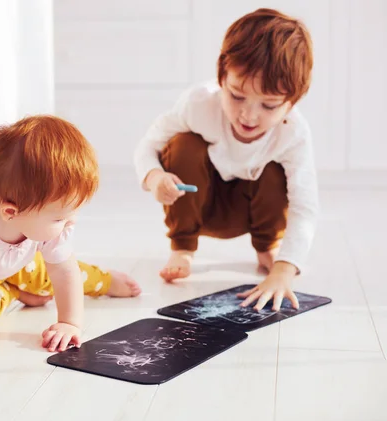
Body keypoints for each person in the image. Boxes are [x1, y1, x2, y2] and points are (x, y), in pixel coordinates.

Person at [0, 115, 141, 366]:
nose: (71, 222)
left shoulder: (40, 220)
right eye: (61, 218)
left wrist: (69, 323)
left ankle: (104, 280)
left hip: (10, 258)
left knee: (50, 275)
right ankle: (13, 291)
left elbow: (64, 272)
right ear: (11, 212)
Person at [133, 8, 319, 312]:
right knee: (183, 145)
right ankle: (183, 247)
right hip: (199, 202)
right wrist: (154, 178)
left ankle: (266, 246)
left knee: (276, 171)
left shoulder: (294, 133)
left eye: (269, 106)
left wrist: (285, 268)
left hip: (251, 209)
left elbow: (305, 205)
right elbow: (147, 146)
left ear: (292, 102)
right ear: (222, 78)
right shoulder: (198, 104)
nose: (249, 115)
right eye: (236, 96)